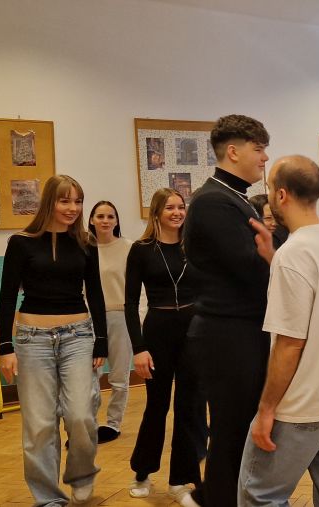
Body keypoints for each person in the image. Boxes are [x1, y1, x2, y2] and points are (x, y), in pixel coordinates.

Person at [238, 156, 319, 506]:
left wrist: (266, 410)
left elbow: (290, 344)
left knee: (259, 494)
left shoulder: (294, 254)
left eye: (269, 189)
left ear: (281, 195)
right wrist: (274, 257)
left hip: (304, 403)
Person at [0, 174, 107, 505]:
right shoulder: (21, 243)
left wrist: (101, 341)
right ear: (49, 202)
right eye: (65, 200)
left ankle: (81, 475)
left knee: (81, 415)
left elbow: (96, 294)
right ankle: (48, 498)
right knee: (40, 425)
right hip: (32, 340)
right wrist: (5, 347)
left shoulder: (86, 243)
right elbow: (6, 299)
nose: (73, 208)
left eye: (78, 201)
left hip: (78, 336)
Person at [181, 114, 273, 507]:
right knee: (231, 432)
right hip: (227, 333)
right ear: (233, 152)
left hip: (241, 330)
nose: (265, 158)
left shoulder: (234, 197)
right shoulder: (213, 202)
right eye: (259, 149)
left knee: (238, 430)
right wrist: (273, 256)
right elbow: (251, 270)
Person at [125, 188, 204, 503]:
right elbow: (130, 304)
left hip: (193, 332)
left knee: (189, 407)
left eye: (181, 207)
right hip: (157, 331)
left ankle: (180, 480)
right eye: (170, 207)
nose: (177, 212)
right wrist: (138, 348)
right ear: (156, 212)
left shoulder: (193, 246)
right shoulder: (141, 249)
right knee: (157, 406)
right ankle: (142, 472)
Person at [88, 200, 133, 444]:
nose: (105, 221)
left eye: (110, 216)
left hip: (120, 316)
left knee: (118, 375)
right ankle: (89, 425)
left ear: (116, 220)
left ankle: (113, 424)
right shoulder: (83, 248)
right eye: (100, 216)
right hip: (88, 319)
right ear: (91, 220)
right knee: (89, 376)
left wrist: (137, 317)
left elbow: (138, 288)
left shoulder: (128, 248)